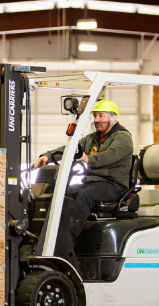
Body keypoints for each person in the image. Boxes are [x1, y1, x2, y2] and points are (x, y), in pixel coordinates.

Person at [32, 100, 134, 270]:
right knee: (65, 193)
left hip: (113, 185)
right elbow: (71, 147)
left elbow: (110, 156)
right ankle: (51, 238)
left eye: (101, 116)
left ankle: (67, 244)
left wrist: (88, 159)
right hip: (92, 182)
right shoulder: (93, 138)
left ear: (112, 118)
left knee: (85, 195)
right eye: (95, 116)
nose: (97, 120)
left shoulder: (123, 137)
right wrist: (48, 156)